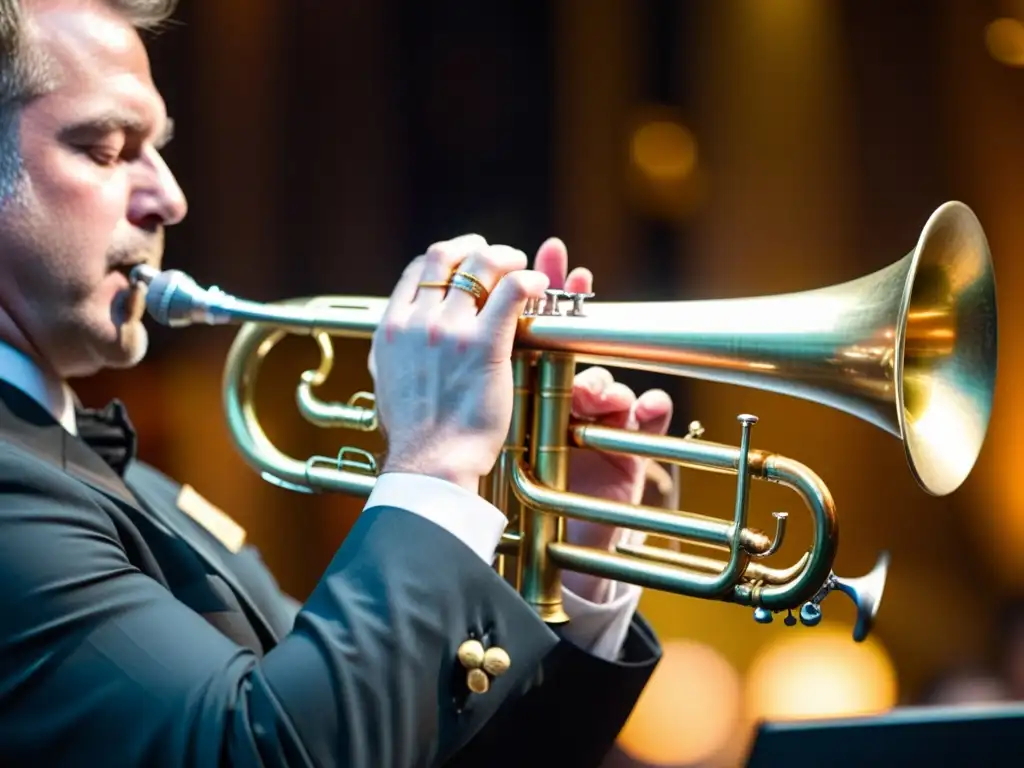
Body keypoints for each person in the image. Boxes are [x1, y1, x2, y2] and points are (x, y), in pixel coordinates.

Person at [0, 1, 674, 766]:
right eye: (107, 147)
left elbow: (390, 742)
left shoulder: (132, 487)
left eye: (155, 147)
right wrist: (434, 463)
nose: (169, 197)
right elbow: (256, 753)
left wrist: (571, 570)